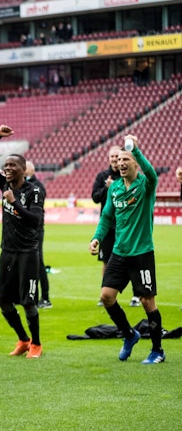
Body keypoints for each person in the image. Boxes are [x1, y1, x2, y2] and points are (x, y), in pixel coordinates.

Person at [89, 135, 164, 364]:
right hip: (119, 253)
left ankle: (157, 350)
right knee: (107, 296)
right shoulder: (115, 189)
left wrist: (137, 150)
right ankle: (130, 335)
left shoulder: (145, 185)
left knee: (147, 301)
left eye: (125, 159)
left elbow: (152, 174)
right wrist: (97, 238)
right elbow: (107, 217)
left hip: (141, 253)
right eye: (118, 160)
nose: (120, 163)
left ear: (134, 163)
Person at [0, 127, 45, 359]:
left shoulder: (34, 190)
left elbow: (35, 220)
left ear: (23, 170)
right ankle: (23, 339)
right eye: (5, 166)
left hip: (27, 252)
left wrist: (15, 203)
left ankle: (37, 343)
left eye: (12, 166)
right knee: (2, 300)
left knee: (28, 302)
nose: (7, 169)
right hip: (7, 251)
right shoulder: (4, 184)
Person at [92, 146, 139, 307]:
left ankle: (136, 294)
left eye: (117, 157)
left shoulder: (127, 176)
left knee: (133, 259)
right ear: (109, 158)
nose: (115, 160)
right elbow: (95, 197)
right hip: (108, 227)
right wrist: (107, 188)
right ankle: (104, 294)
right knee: (106, 261)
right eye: (112, 157)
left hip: (126, 227)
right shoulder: (102, 176)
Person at [25, 161, 50, 308]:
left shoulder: (38, 186)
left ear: (31, 170)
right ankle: (30, 297)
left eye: (25, 168)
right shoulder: (22, 184)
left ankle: (45, 297)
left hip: (36, 229)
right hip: (25, 230)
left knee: (38, 262)